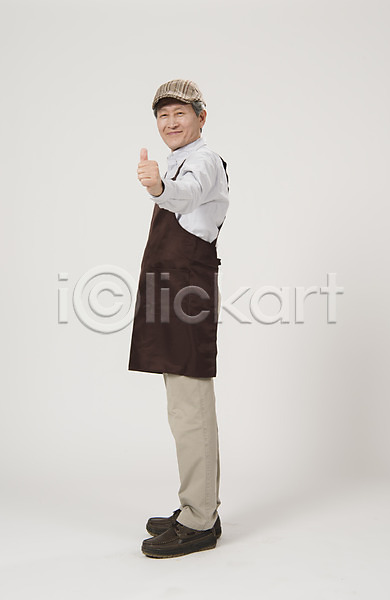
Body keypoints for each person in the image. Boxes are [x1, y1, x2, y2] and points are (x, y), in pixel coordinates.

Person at [128, 79, 229, 558]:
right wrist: (162, 182)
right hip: (172, 287)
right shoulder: (178, 160)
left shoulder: (204, 162)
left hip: (187, 290)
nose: (170, 122)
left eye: (180, 113)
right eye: (163, 115)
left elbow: (185, 196)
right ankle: (198, 504)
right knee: (181, 403)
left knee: (190, 405)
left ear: (201, 117)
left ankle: (200, 519)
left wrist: (158, 186)